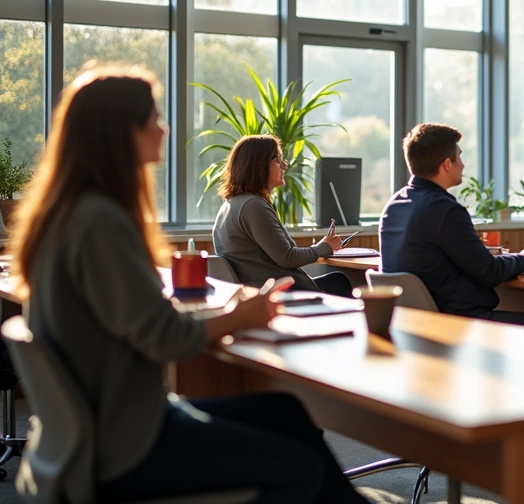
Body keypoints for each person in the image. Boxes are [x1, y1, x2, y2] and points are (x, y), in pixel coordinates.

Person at [8, 66, 367, 503]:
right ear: (121, 133)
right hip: (127, 443)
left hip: (113, 425)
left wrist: (229, 314)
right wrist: (239, 316)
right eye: (154, 119)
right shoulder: (101, 223)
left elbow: (146, 320)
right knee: (300, 467)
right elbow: (165, 339)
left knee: (285, 410)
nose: (164, 128)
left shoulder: (68, 215)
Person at [379, 123, 524, 325]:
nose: (463, 165)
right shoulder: (445, 210)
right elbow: (489, 272)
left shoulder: (393, 205)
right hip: (459, 323)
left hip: (412, 323)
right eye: (460, 156)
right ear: (447, 164)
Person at [212, 134, 353, 297]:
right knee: (338, 282)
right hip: (276, 294)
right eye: (277, 160)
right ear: (259, 166)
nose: (285, 166)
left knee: (336, 280)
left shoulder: (231, 205)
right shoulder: (253, 206)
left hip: (259, 291)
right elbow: (288, 258)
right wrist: (324, 247)